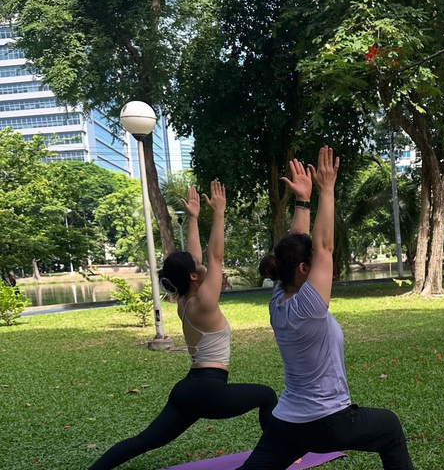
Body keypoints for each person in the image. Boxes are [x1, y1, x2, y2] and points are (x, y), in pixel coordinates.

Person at [237, 147, 414, 470]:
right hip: (328, 422)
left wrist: (303, 200)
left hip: (286, 424)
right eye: (314, 262)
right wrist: (327, 189)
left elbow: (296, 244)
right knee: (389, 427)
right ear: (305, 268)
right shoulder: (310, 306)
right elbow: (324, 246)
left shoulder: (279, 299)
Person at [89, 180, 277, 470]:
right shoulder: (204, 303)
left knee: (144, 441)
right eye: (195, 267)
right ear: (192, 277)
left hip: (187, 390)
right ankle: (275, 458)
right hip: (209, 391)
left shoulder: (183, 301)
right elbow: (214, 257)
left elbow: (197, 259)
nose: (201, 265)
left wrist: (192, 218)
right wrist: (219, 213)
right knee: (267, 395)